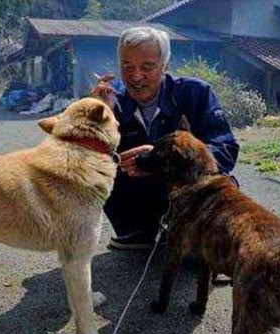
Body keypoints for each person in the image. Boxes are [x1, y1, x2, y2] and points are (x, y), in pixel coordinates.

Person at [91, 26, 239, 250]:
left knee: (224, 181)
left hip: (189, 194)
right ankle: (141, 233)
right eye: (127, 66)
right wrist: (96, 116)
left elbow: (225, 148)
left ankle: (205, 241)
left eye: (147, 67)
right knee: (97, 171)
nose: (136, 76)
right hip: (139, 200)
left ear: (165, 66)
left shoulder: (195, 93)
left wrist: (163, 159)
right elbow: (83, 161)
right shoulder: (112, 103)